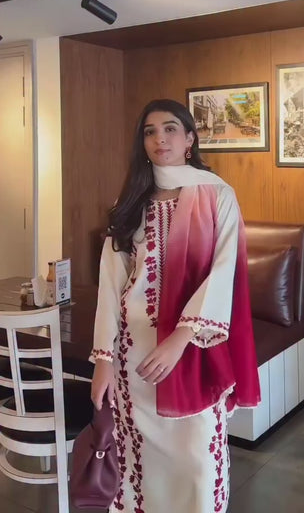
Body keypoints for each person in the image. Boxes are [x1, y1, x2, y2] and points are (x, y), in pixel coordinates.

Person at [90, 99, 260, 513]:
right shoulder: (131, 201)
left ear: (190, 139)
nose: (159, 139)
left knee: (196, 462)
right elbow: (111, 285)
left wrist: (180, 338)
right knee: (141, 464)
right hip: (134, 358)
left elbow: (224, 272)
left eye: (169, 129)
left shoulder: (217, 194)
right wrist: (104, 359)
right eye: (149, 131)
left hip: (194, 348)